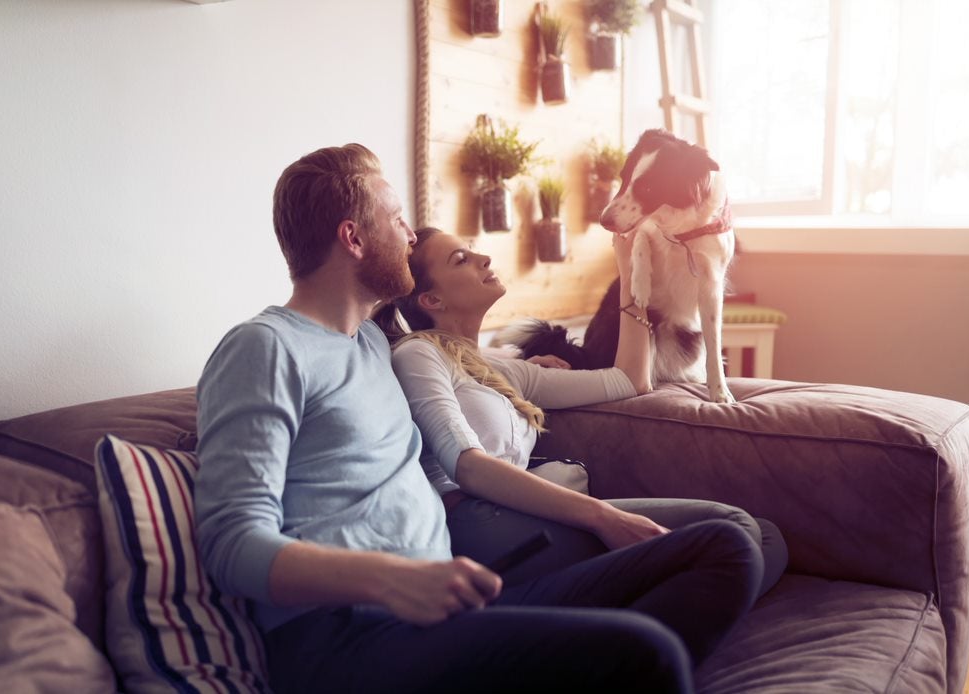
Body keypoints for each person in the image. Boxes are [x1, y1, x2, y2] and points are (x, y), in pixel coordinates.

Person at [194, 143, 763, 694]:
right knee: (648, 651)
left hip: (454, 607)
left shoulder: (372, 344)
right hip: (349, 634)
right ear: (353, 238)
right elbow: (230, 543)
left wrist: (522, 361)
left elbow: (468, 365)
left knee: (725, 546)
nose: (410, 234)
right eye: (397, 221)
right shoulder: (264, 347)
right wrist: (390, 578)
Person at [373, 227, 787, 596]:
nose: (483, 259)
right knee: (735, 533)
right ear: (431, 299)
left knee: (766, 537)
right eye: (460, 260)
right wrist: (604, 517)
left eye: (473, 250)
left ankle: (618, 623)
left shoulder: (502, 368)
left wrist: (632, 276)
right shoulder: (419, 354)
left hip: (527, 514)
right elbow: (467, 466)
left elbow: (628, 380)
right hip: (477, 522)